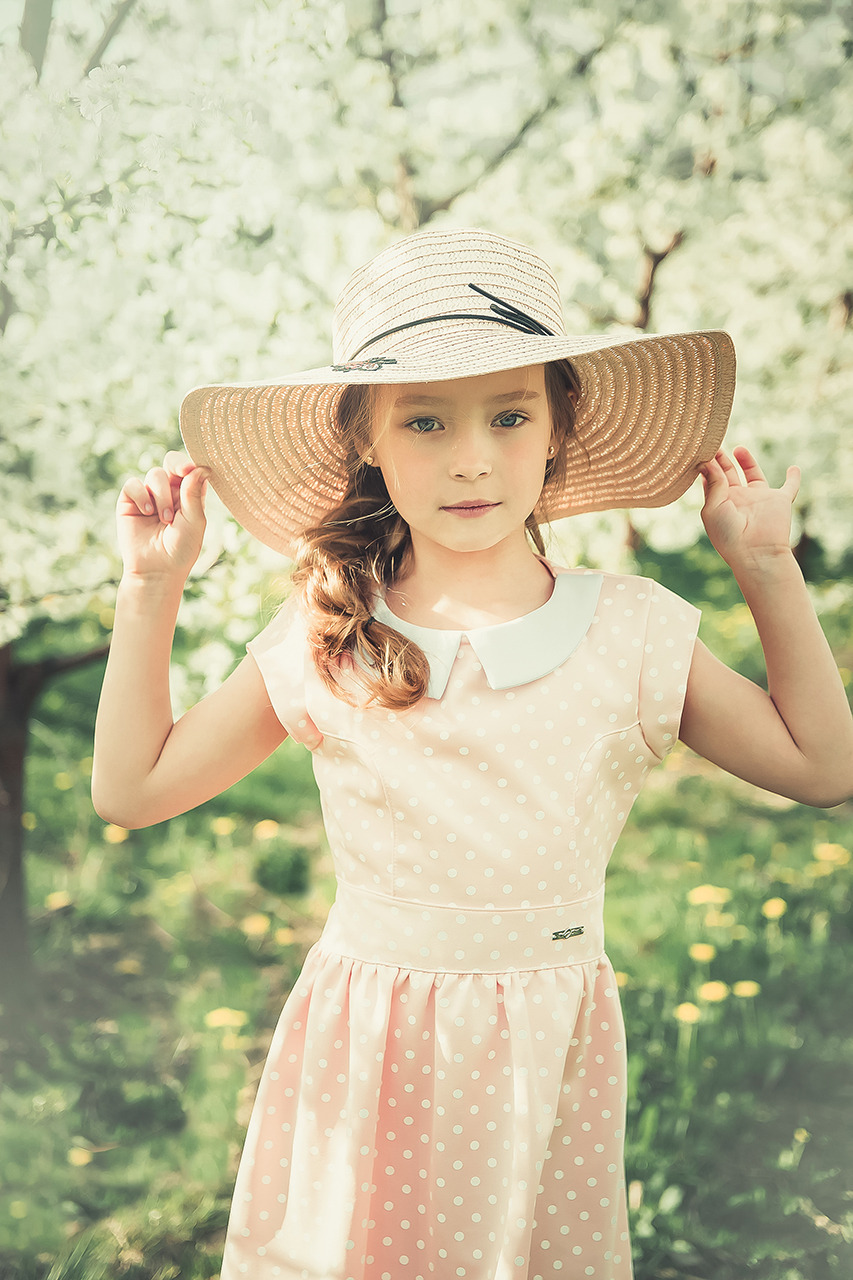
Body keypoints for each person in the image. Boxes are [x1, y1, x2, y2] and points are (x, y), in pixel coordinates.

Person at [92, 228, 853, 1280]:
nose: (470, 456)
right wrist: (151, 588)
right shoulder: (330, 636)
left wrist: (766, 568)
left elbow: (821, 766)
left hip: (539, 1064)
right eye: (424, 419)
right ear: (366, 437)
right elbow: (130, 787)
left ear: (556, 429)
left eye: (508, 414)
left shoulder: (628, 630)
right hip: (362, 1062)